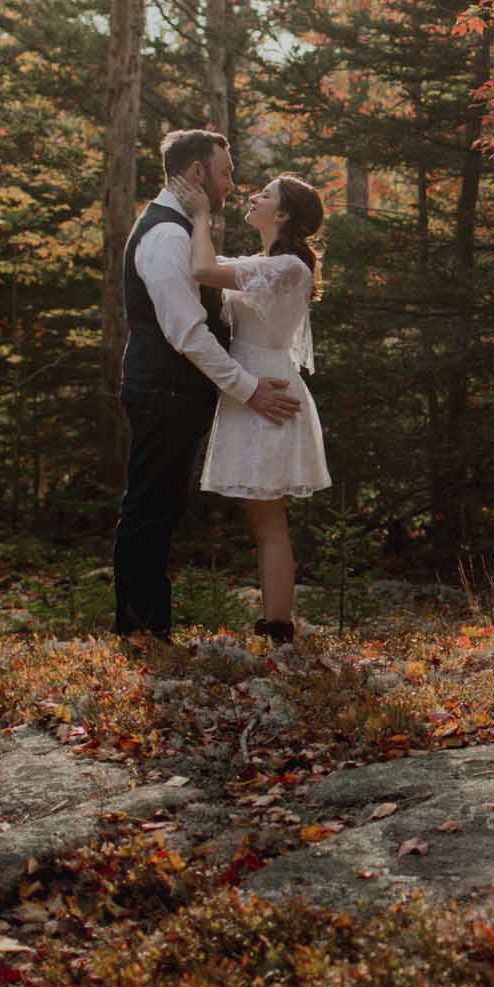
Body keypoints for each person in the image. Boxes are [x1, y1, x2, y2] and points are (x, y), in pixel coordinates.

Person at [111, 130, 300, 644]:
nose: (232, 184)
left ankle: (147, 629)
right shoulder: (168, 236)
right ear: (197, 173)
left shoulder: (180, 230)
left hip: (173, 393)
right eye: (225, 171)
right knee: (150, 507)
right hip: (162, 391)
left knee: (159, 506)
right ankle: (141, 632)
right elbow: (187, 331)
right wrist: (248, 389)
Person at [171, 170, 331, 641]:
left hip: (268, 392)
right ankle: (276, 622)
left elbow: (203, 269)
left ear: (280, 214)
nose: (253, 197)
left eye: (265, 195)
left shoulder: (286, 268)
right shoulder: (268, 263)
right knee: (264, 519)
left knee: (269, 519)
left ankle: (279, 626)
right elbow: (205, 262)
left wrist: (201, 213)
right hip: (253, 387)